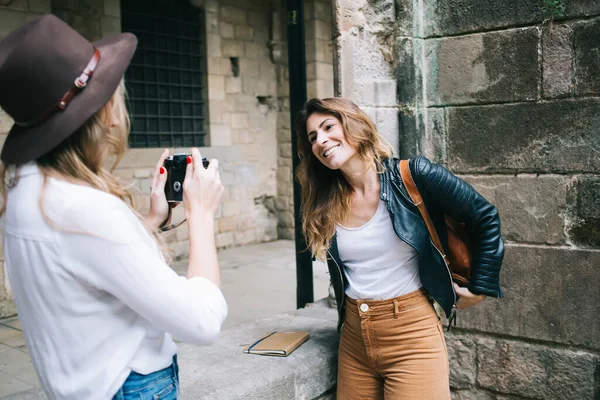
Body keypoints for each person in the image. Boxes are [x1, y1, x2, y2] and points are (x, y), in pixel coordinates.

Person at [0, 15, 227, 399]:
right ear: (99, 114)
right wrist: (201, 215)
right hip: (129, 387)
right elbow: (202, 322)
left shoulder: (21, 190)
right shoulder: (86, 210)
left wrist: (151, 219)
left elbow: (86, 265)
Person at [294, 97, 504, 399]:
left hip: (412, 335)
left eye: (328, 127)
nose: (321, 141)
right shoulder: (328, 201)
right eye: (313, 138)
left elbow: (484, 216)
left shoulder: (414, 175)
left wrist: (483, 285)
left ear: (354, 125)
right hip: (354, 340)